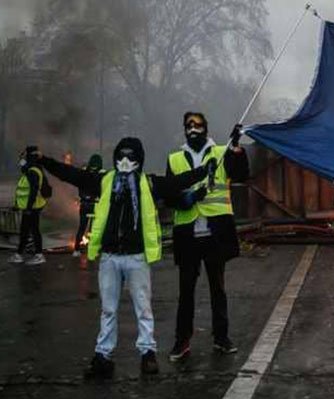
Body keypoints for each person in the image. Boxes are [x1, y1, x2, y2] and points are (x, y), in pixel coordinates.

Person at [37, 137, 210, 379]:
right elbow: (73, 175)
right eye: (122, 156)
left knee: (143, 308)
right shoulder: (105, 181)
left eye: (131, 156)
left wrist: (203, 171)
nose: (126, 161)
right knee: (108, 310)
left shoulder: (148, 183)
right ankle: (103, 355)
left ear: (139, 160)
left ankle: (147, 353)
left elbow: (176, 182)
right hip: (110, 257)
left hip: (136, 257)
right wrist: (44, 161)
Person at [167, 112, 248, 361]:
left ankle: (221, 338)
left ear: (206, 128)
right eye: (189, 125)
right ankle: (182, 341)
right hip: (187, 234)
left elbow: (241, 174)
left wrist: (236, 148)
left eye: (198, 125)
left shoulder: (221, 152)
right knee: (186, 292)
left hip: (215, 233)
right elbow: (169, 195)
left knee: (218, 289)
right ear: (184, 129)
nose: (193, 129)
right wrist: (189, 198)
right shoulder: (175, 158)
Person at [8, 146, 50, 265]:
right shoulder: (32, 168)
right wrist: (18, 205)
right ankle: (20, 254)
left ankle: (37, 255)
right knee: (26, 230)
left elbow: (33, 191)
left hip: (33, 207)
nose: (24, 158)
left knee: (32, 230)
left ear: (29, 157)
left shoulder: (33, 171)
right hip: (31, 207)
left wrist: (29, 208)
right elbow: (23, 167)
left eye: (26, 156)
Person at [72, 154, 104, 257]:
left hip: (84, 204)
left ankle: (76, 250)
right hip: (96, 205)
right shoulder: (101, 175)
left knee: (82, 227)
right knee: (93, 229)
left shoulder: (84, 173)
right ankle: (92, 250)